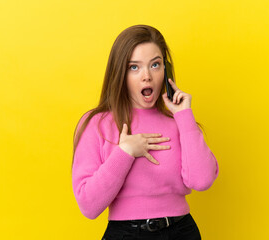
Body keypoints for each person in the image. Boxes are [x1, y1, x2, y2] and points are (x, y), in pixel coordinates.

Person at [71, 24, 219, 240]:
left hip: (181, 231)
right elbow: (88, 205)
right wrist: (125, 152)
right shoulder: (96, 123)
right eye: (134, 67)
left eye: (155, 65)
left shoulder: (180, 121)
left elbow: (202, 180)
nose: (147, 76)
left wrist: (184, 115)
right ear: (120, 72)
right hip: (125, 234)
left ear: (166, 71)